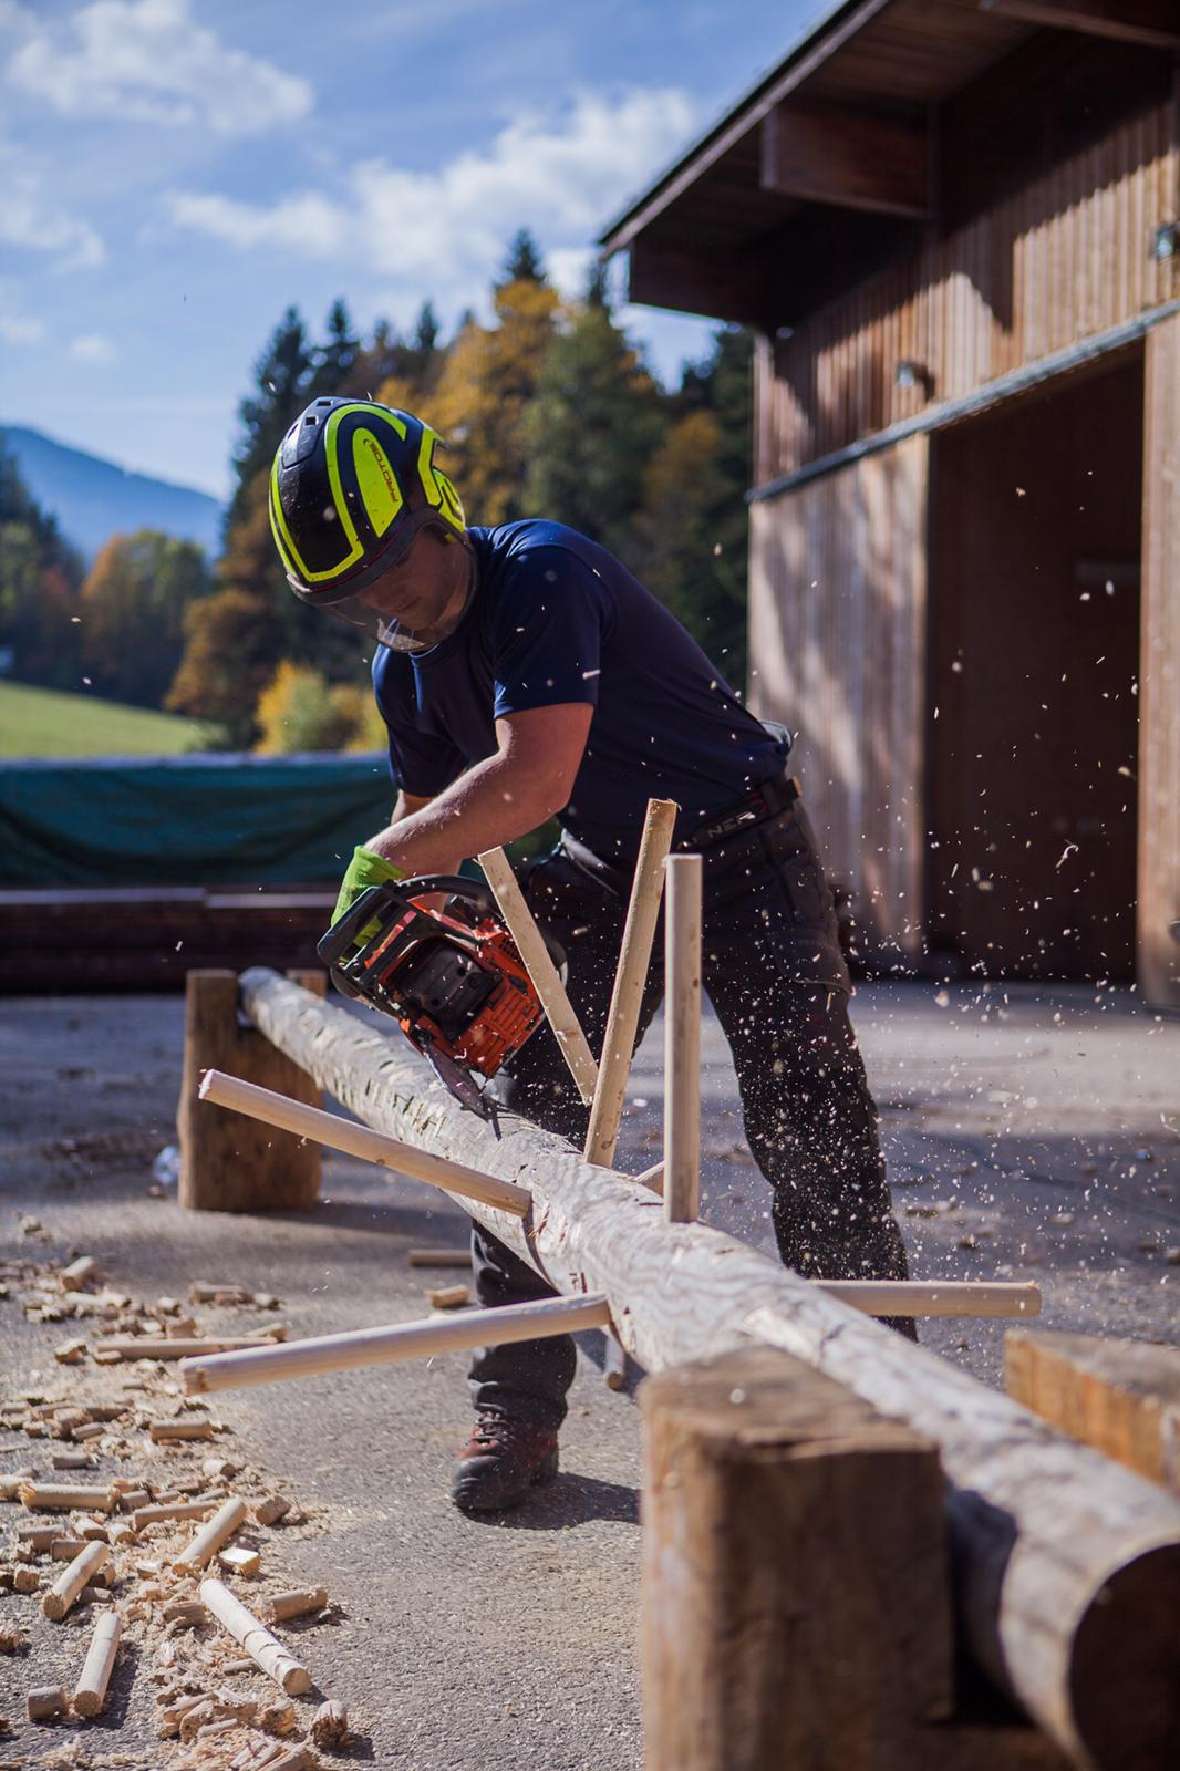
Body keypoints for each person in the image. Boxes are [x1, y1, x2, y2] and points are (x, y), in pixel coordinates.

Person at [269, 395, 913, 1514]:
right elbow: (434, 832)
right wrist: (413, 942)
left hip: (741, 839)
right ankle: (516, 1403)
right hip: (614, 860)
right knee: (529, 1118)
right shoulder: (401, 670)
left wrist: (375, 858)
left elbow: (528, 781)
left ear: (438, 509)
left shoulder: (540, 576)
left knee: (805, 1108)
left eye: (390, 564)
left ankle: (886, 1404)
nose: (383, 596)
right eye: (352, 590)